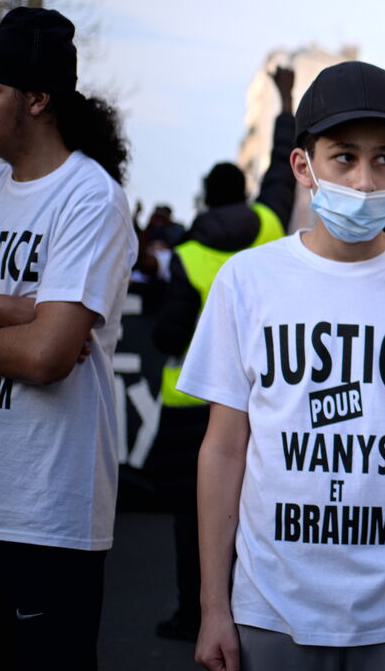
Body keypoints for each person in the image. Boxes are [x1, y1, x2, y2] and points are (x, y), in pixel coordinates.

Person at [177, 60, 385, 671]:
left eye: (383, 158)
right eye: (344, 157)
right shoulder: (247, 281)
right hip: (271, 607)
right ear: (304, 167)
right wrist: (213, 607)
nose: (365, 180)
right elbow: (223, 450)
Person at [0, 7, 138, 670]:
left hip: (45, 516)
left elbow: (48, 355)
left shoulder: (89, 198)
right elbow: (44, 339)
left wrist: (10, 316)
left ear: (37, 100)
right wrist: (11, 310)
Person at [148, 65, 297, 643]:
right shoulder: (270, 223)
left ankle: (196, 612)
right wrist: (285, 100)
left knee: (196, 516)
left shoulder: (187, 252)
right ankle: (249, 607)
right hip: (261, 402)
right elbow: (282, 165)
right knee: (256, 507)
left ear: (206, 197)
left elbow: (168, 336)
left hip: (189, 405)